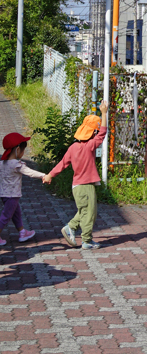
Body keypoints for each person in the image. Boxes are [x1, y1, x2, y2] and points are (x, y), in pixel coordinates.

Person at [43, 103, 108, 249]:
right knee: (89, 213)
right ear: (92, 133)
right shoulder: (90, 146)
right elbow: (103, 132)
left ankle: (71, 229)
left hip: (77, 186)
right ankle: (86, 240)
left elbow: (62, 163)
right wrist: (104, 113)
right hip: (86, 186)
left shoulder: (73, 147)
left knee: (85, 211)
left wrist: (50, 175)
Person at [0, 133, 43, 245]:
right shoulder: (16, 164)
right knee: (5, 216)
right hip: (12, 196)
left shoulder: (2, 163)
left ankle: (22, 232)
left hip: (4, 195)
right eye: (23, 150)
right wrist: (44, 175)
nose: (23, 153)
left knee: (16, 214)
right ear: (18, 149)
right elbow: (30, 172)